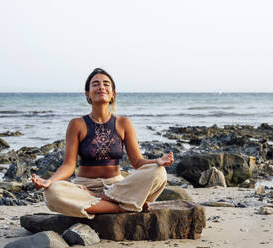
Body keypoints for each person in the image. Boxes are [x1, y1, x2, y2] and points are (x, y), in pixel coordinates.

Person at [32, 68, 174, 219]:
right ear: (87, 94)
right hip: (85, 187)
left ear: (113, 93)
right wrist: (49, 181)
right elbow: (68, 165)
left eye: (106, 84)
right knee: (52, 193)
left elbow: (138, 162)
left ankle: (106, 200)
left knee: (159, 172)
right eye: (95, 84)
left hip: (117, 187)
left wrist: (157, 161)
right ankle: (122, 206)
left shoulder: (123, 123)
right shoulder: (77, 124)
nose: (101, 87)